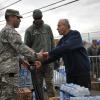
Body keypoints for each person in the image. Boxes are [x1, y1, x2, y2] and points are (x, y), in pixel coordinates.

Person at [0, 9, 41, 100]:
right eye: (18, 17)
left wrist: (25, 63)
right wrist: (36, 56)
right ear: (11, 17)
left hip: (7, 73)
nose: (20, 20)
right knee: (10, 97)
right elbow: (21, 47)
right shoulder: (9, 31)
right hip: (9, 73)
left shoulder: (5, 31)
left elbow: (12, 53)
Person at [43, 19, 91, 89]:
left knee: (83, 95)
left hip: (81, 72)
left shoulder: (75, 34)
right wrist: (42, 62)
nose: (57, 28)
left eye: (59, 26)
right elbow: (55, 55)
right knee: (71, 95)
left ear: (66, 26)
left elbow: (67, 47)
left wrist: (49, 53)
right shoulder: (62, 40)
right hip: (70, 73)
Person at [24, 9, 56, 98]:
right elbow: (26, 47)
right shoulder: (29, 30)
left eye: (39, 18)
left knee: (50, 83)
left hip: (48, 61)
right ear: (33, 18)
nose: (38, 20)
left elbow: (52, 42)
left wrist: (54, 57)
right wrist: (30, 62)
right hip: (36, 63)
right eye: (36, 18)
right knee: (38, 85)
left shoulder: (47, 28)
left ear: (42, 17)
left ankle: (52, 99)